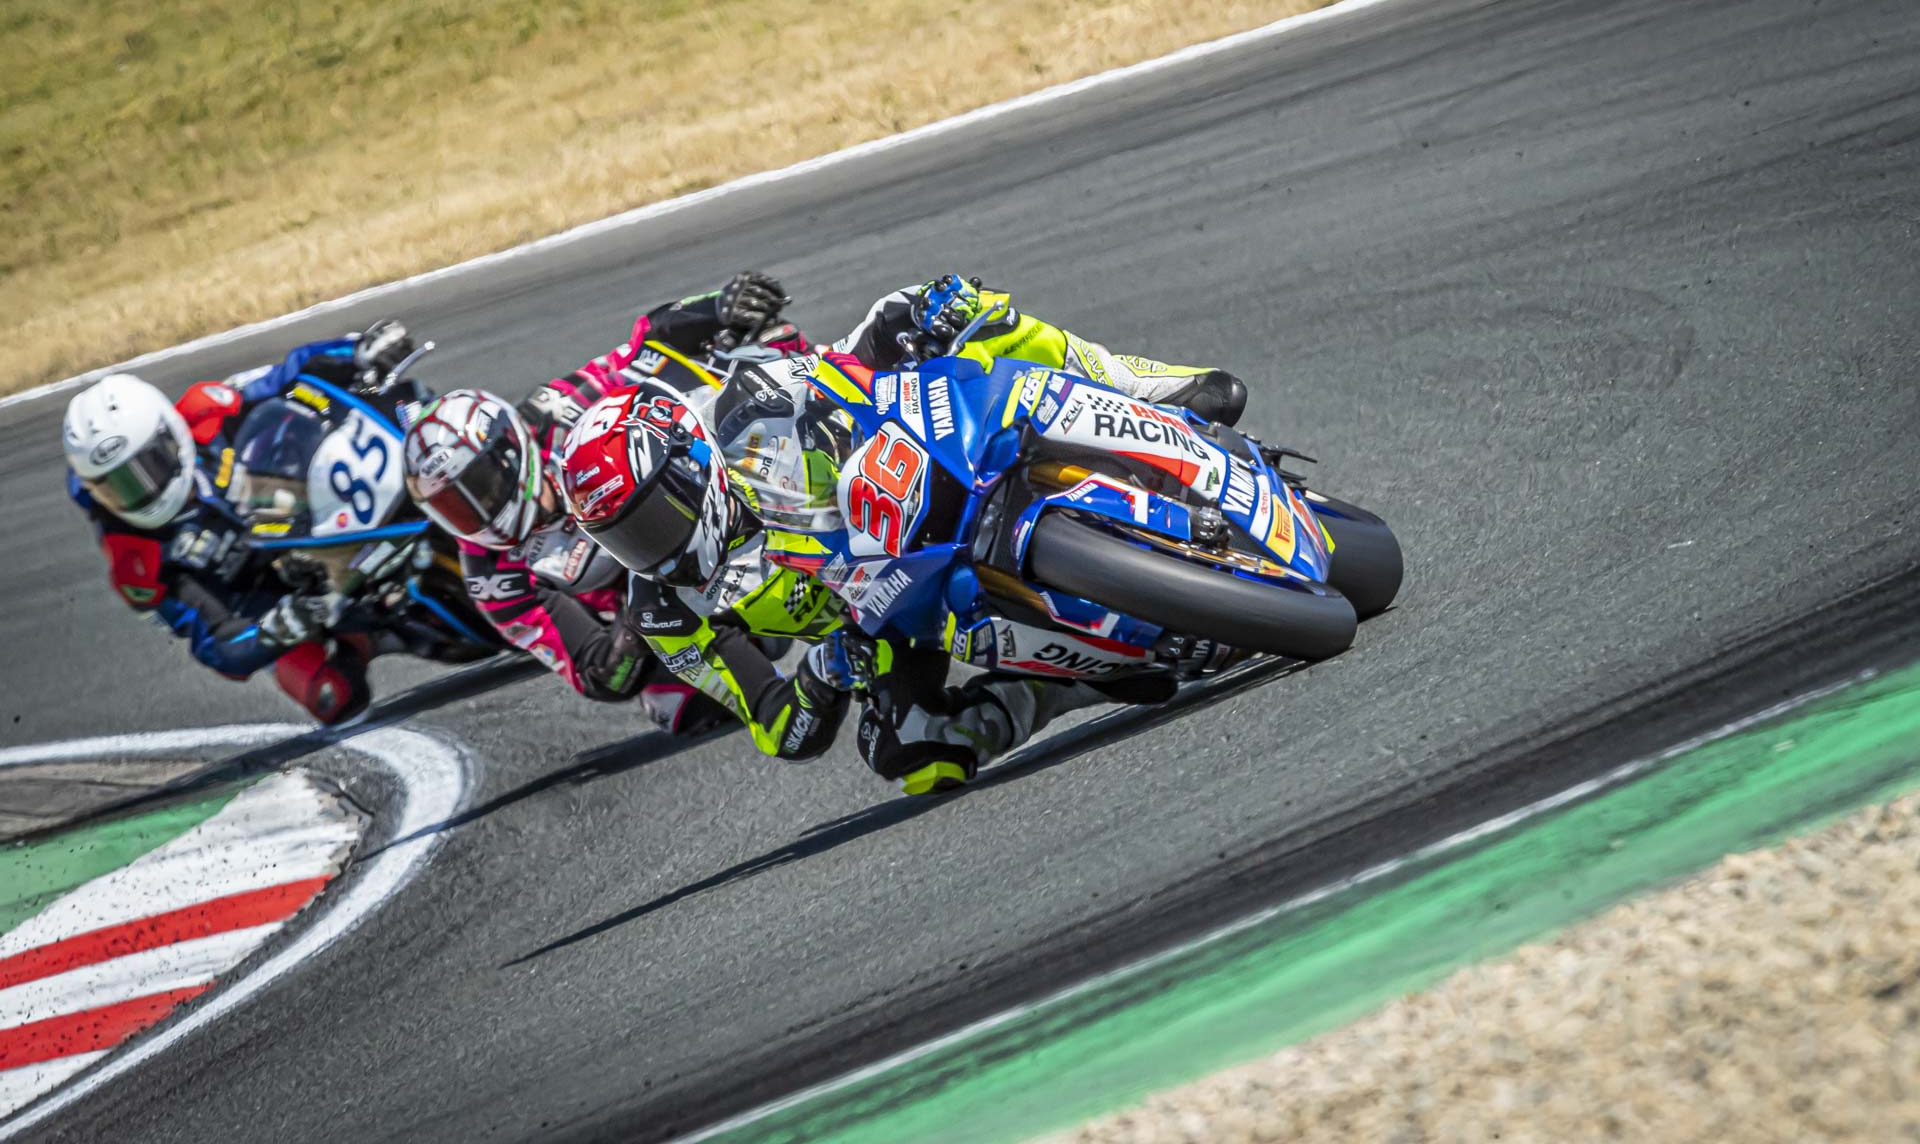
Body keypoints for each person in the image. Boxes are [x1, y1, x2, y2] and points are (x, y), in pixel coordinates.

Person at [558, 275, 1249, 793]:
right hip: (886, 617)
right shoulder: (665, 610)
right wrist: (822, 675)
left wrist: (920, 312)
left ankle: (1143, 385)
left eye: (651, 518)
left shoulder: (743, 404)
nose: (651, 550)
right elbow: (779, 726)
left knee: (981, 324)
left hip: (905, 483)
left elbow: (846, 356)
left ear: (689, 464)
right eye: (624, 540)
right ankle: (1074, 684)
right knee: (912, 751)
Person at [401, 273, 801, 730]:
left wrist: (716, 307)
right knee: (675, 705)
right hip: (668, 601)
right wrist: (640, 617)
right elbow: (598, 673)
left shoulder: (559, 409)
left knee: (768, 354)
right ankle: (782, 699)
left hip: (713, 498)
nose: (480, 512)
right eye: (453, 507)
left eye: (480, 486)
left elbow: (647, 343)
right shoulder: (491, 576)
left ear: (508, 449)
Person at [62, 322, 418, 721]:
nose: (140, 492)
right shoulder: (136, 562)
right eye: (116, 487)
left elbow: (288, 374)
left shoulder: (207, 409)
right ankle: (367, 636)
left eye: (148, 466)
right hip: (277, 597)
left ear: (170, 433)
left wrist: (356, 351)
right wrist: (280, 626)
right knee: (332, 696)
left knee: (394, 415)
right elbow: (215, 644)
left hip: (318, 507)